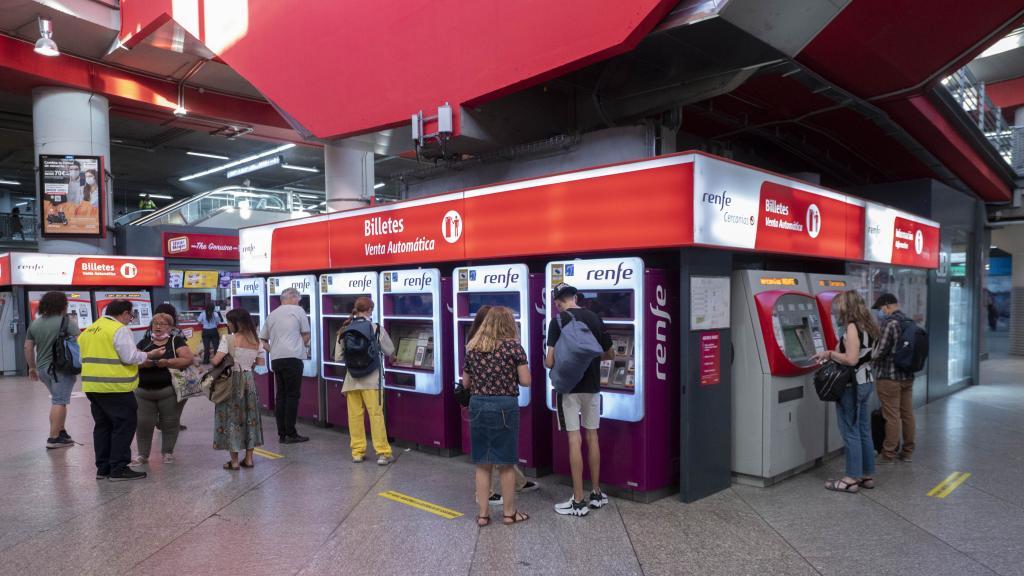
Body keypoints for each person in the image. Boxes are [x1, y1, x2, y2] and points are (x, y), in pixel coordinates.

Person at [546, 283, 613, 517]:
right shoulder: (594, 318)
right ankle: (596, 493)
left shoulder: (558, 321)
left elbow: (549, 360)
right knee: (592, 436)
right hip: (593, 387)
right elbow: (610, 353)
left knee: (575, 440)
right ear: (575, 297)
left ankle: (578, 501)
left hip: (568, 388)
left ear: (557, 302)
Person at [78, 300, 165, 481]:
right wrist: (150, 354)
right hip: (115, 387)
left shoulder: (90, 329)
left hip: (93, 387)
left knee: (103, 427)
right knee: (123, 425)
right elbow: (130, 357)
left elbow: (81, 359)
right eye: (131, 316)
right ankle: (118, 467)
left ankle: (103, 468)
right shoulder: (119, 329)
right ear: (125, 313)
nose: (130, 320)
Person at [463, 306, 531, 526]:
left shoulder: (472, 347)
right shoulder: (514, 348)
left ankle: (483, 515)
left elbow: (466, 383)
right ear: (509, 323)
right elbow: (525, 381)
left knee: (482, 463)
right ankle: (509, 514)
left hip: (478, 405)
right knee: (506, 463)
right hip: (504, 405)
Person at [812, 291, 879, 493]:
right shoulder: (870, 327)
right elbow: (866, 356)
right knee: (863, 430)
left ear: (846, 307)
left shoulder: (852, 327)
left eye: (838, 306)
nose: (836, 310)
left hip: (852, 385)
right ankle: (867, 475)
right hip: (866, 381)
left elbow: (851, 359)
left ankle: (851, 477)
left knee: (850, 431)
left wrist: (831, 353)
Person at [334, 296, 394, 465]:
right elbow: (389, 350)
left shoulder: (344, 329)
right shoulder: (375, 328)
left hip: (351, 381)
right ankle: (383, 453)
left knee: (354, 416)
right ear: (369, 311)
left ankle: (357, 452)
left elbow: (338, 357)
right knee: (375, 415)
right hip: (372, 380)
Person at [132, 313, 192, 466]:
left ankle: (168, 452)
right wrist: (144, 363)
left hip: (169, 391)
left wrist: (167, 362)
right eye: (155, 323)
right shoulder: (144, 342)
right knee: (143, 423)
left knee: (170, 422)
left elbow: (187, 359)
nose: (158, 326)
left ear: (170, 327)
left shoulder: (176, 341)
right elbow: (132, 361)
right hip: (143, 392)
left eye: (162, 324)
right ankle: (142, 455)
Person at [25, 291, 80, 449]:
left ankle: (61, 432)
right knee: (59, 402)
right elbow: (78, 343)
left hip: (43, 369)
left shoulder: (35, 323)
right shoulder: (66, 322)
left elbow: (27, 346)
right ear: (62, 305)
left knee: (57, 399)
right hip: (61, 369)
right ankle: (54, 438)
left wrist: (32, 368)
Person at [212, 309, 266, 469]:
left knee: (231, 418)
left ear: (237, 323)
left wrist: (211, 357)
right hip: (249, 381)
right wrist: (248, 364)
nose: (227, 324)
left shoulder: (228, 339)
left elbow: (216, 361)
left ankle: (234, 462)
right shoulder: (257, 341)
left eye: (229, 321)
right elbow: (261, 365)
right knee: (251, 418)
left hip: (231, 381)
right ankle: (249, 459)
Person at [260, 287, 311, 443]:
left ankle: (282, 433)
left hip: (276, 360)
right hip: (293, 359)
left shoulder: (272, 314)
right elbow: (307, 334)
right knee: (292, 396)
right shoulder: (298, 310)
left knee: (281, 396)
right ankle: (291, 433)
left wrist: (273, 350)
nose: (299, 301)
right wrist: (299, 347)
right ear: (291, 298)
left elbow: (262, 340)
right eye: (298, 298)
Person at [872, 293, 916, 464]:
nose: (881, 312)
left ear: (888, 305)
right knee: (907, 414)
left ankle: (888, 453)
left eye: (881, 308)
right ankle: (907, 452)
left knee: (891, 416)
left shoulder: (889, 323)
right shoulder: (909, 321)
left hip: (889, 378)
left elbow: (879, 351)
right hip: (907, 377)